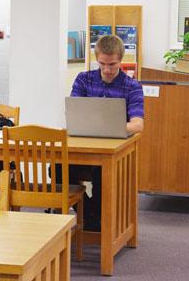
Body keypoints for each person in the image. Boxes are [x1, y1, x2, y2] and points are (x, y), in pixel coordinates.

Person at [57, 35, 144, 231]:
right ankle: (90, 215)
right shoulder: (83, 79)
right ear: (97, 58)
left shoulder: (132, 87)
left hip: (114, 155)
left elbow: (138, 125)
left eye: (112, 64)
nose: (107, 69)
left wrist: (110, 127)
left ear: (120, 60)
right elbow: (74, 114)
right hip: (84, 150)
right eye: (102, 64)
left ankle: (94, 219)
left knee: (102, 175)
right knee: (56, 169)